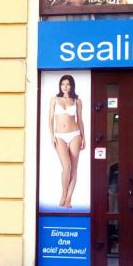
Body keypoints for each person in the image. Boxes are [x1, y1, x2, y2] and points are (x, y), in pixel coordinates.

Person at [49, 74, 85, 208]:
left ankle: (69, 199)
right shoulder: (54, 99)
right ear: (60, 85)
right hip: (60, 136)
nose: (65, 87)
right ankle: (64, 193)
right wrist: (52, 135)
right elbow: (50, 119)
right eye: (63, 84)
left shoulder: (77, 101)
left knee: (74, 168)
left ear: (72, 86)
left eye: (68, 84)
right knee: (67, 167)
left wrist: (83, 137)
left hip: (75, 134)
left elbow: (80, 120)